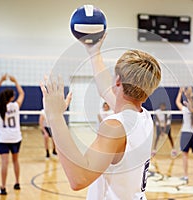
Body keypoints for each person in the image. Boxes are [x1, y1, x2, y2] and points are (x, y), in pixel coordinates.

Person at [41, 36, 161, 199]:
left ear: (118, 81)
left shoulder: (114, 127)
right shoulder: (144, 117)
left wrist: (55, 117)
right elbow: (106, 89)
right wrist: (94, 52)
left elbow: (79, 179)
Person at [0, 74, 25, 195]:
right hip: (15, 137)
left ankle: (3, 187)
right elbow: (22, 93)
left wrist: (1, 80)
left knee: (4, 163)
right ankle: (17, 183)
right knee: (16, 161)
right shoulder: (15, 106)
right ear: (11, 97)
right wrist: (15, 81)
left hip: (3, 139)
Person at [175, 87, 193, 182]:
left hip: (185, 134)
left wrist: (180, 92)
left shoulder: (185, 110)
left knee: (185, 155)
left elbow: (177, 102)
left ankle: (186, 176)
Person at [39, 93, 72, 159]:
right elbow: (40, 123)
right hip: (46, 128)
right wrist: (44, 132)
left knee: (55, 139)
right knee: (46, 138)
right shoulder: (43, 112)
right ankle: (47, 152)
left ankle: (54, 151)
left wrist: (68, 99)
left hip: (52, 127)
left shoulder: (54, 111)